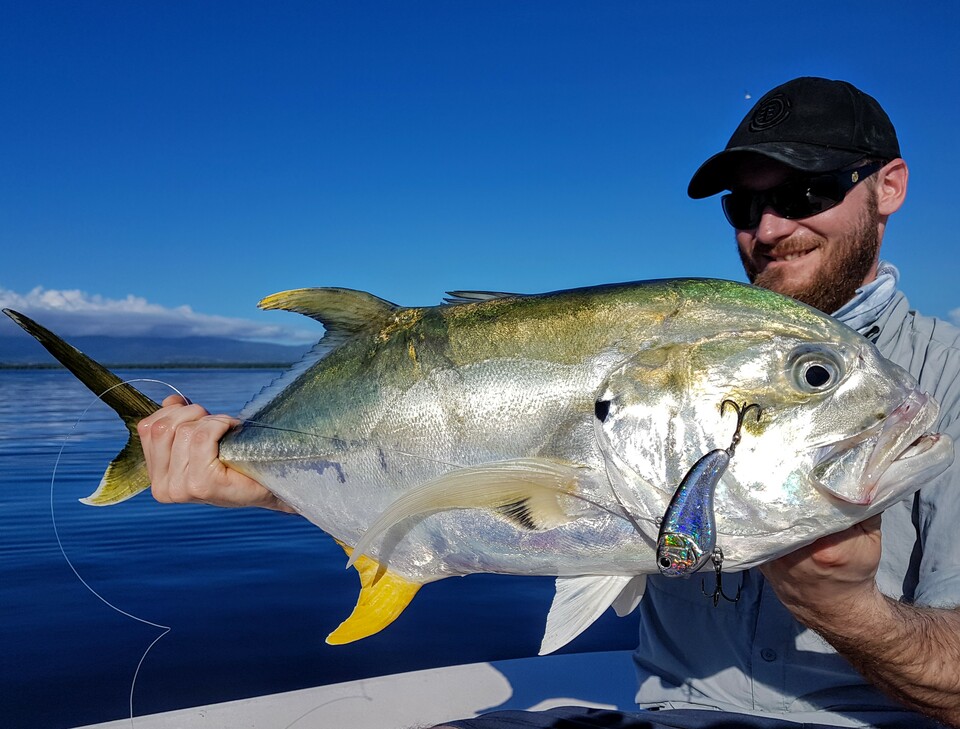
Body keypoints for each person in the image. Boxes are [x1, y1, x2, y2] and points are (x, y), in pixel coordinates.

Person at [139, 78, 960, 729]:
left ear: (888, 188)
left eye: (807, 190)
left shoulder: (940, 384)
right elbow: (439, 473)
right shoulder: (691, 334)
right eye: (745, 206)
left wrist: (850, 611)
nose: (770, 227)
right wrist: (252, 478)